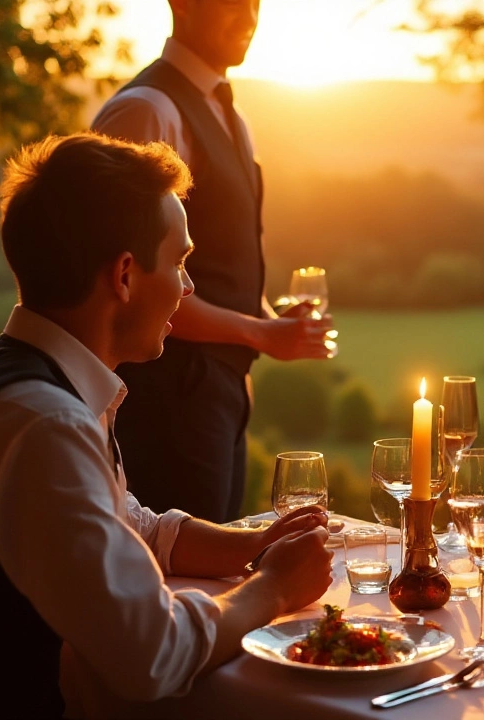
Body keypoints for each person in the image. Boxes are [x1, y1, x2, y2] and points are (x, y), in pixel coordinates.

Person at [0, 133, 334, 719]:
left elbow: (124, 524)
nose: (188, 286)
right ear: (124, 275)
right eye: (178, 262)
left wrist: (249, 546)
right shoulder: (40, 423)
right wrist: (271, 589)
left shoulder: (24, 378)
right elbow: (150, 655)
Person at [90, 0, 333, 523]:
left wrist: (271, 320)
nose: (248, 17)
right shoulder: (147, 110)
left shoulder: (231, 116)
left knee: (214, 555)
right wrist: (259, 335)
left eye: (255, 3)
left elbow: (223, 262)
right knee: (175, 568)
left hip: (220, 394)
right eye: (231, 2)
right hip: (166, 397)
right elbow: (125, 281)